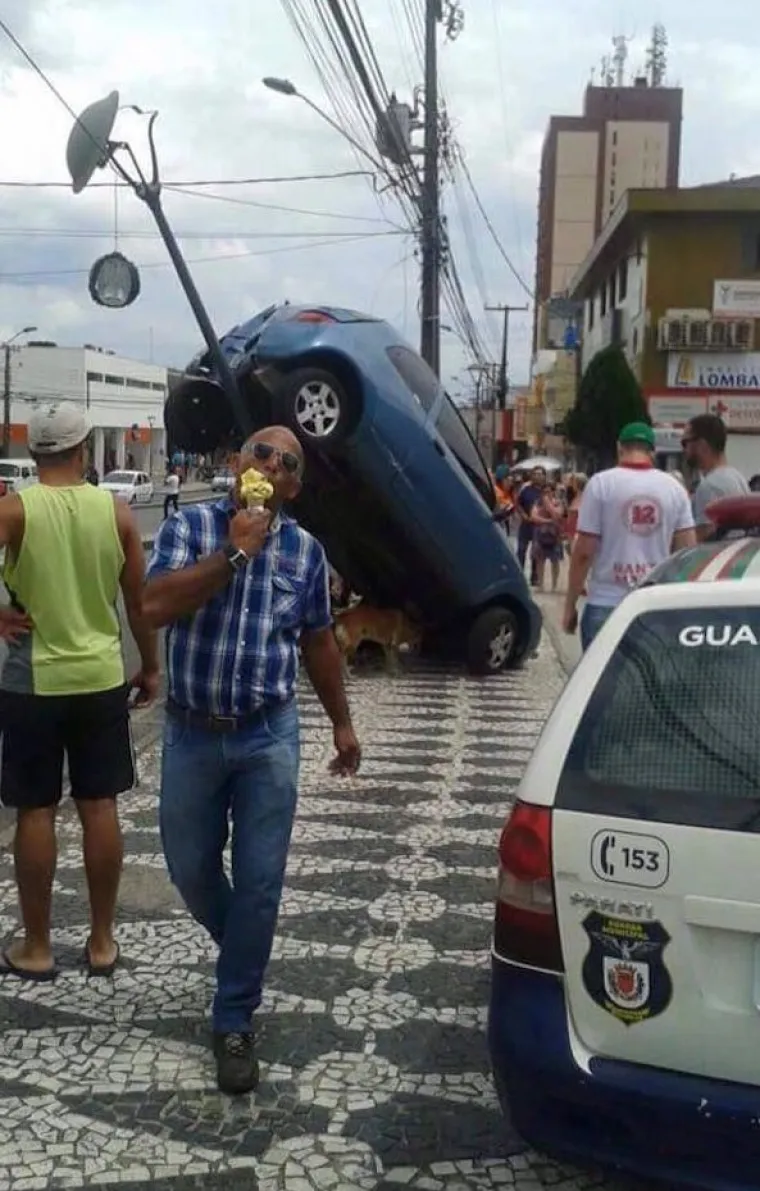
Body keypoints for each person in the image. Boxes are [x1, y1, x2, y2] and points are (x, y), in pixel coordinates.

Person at [143, 425, 361, 1097]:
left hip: (268, 734)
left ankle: (234, 1015)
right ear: (238, 463)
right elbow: (152, 605)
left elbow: (319, 643)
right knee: (189, 867)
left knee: (261, 879)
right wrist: (234, 554)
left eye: (286, 463)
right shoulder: (190, 526)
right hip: (192, 734)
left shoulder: (303, 552)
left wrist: (343, 723)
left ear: (293, 486)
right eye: (261, 453)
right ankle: (246, 946)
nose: (270, 465)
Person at [0, 401, 159, 981]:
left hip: (32, 683)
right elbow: (139, 603)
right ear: (83, 449)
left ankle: (37, 947)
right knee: (100, 806)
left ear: (34, 451)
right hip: (99, 678)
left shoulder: (14, 510)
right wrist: (152, 670)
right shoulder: (114, 513)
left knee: (35, 810)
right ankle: (100, 941)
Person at [563, 422, 696, 652]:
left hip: (606, 603)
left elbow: (584, 552)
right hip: (654, 605)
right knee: (648, 685)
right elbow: (687, 553)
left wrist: (570, 605)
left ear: (619, 447)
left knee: (603, 685)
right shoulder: (674, 489)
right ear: (652, 451)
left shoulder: (600, 484)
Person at [681, 414, 750, 540]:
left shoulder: (709, 486)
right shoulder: (737, 478)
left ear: (702, 444)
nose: (684, 450)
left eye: (685, 443)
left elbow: (702, 541)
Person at [531, 482, 564, 592]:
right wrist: (548, 520)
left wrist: (548, 505)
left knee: (555, 560)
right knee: (540, 560)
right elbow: (534, 517)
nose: (546, 494)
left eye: (548, 491)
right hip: (540, 534)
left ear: (553, 492)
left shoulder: (558, 503)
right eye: (544, 492)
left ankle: (554, 585)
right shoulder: (537, 503)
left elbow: (558, 515)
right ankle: (541, 585)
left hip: (554, 535)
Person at [516, 467, 545, 584]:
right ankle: (518, 575)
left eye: (540, 474)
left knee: (535, 552)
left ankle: (534, 576)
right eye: (535, 474)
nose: (537, 476)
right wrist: (523, 515)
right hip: (526, 524)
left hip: (538, 526)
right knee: (521, 550)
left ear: (544, 476)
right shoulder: (526, 489)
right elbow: (518, 504)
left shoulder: (545, 491)